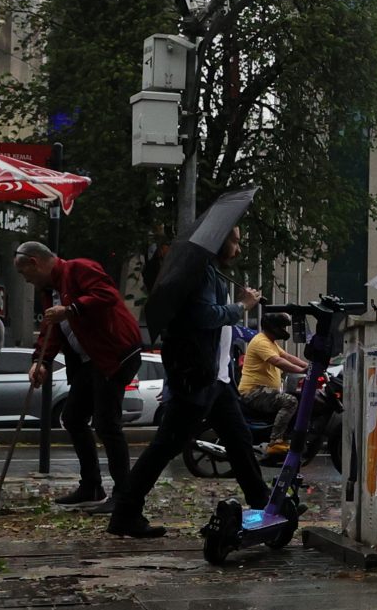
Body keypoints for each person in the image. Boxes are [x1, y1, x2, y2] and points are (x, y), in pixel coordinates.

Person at [107, 198, 267, 539]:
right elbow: (204, 317)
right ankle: (125, 512)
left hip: (216, 379)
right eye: (235, 241)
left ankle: (264, 507)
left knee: (240, 443)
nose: (238, 249)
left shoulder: (212, 274)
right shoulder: (202, 274)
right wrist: (241, 306)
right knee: (164, 447)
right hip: (197, 380)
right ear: (221, 239)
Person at [16, 241, 146, 509]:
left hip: (115, 354)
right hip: (90, 361)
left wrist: (71, 309)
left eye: (25, 273)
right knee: (73, 417)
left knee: (106, 424)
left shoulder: (79, 269)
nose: (26, 280)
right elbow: (52, 329)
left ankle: (124, 495)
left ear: (34, 262)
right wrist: (40, 361)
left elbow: (106, 295)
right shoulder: (49, 291)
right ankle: (91, 486)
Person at [238, 309, 310, 422]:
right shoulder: (261, 342)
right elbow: (278, 361)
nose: (284, 330)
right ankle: (277, 438)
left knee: (297, 396)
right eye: (281, 327)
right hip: (254, 392)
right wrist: (301, 370)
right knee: (290, 401)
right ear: (273, 327)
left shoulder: (270, 341)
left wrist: (309, 366)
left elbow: (287, 356)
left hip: (265, 391)